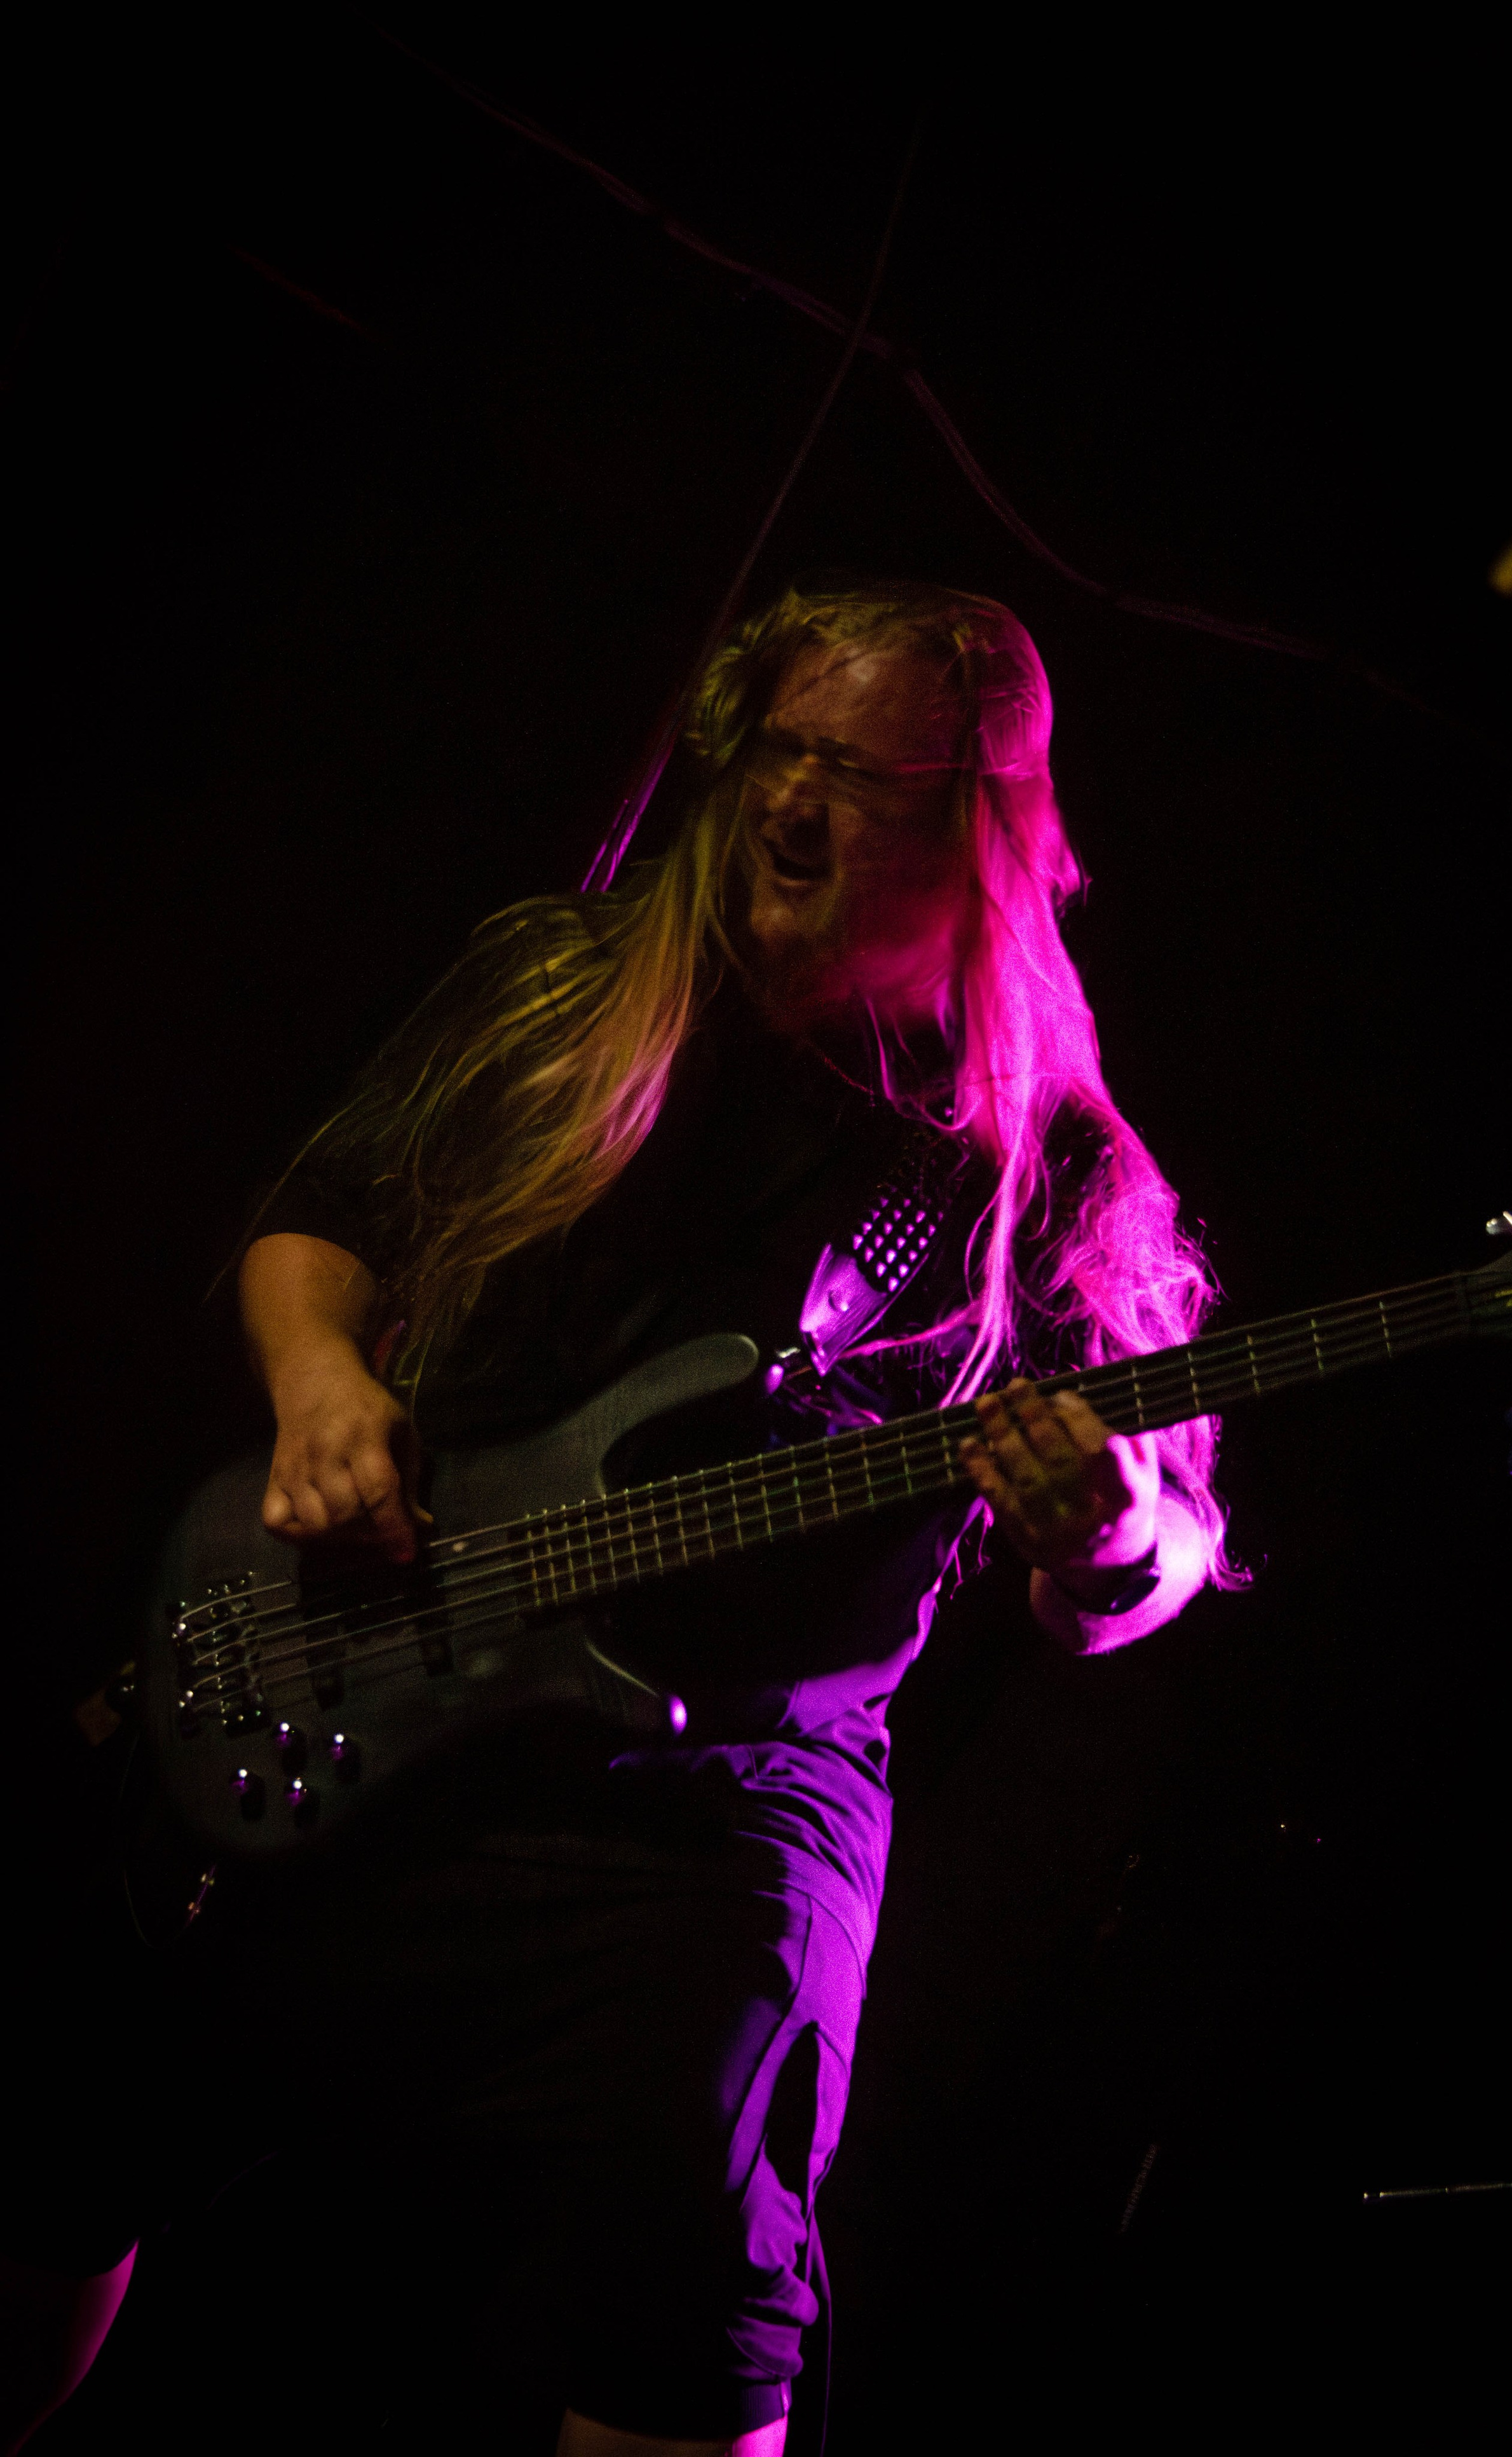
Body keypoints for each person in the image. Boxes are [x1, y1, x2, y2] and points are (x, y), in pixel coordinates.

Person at [3, 579, 1230, 2457]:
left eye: (861, 776)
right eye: (779, 754)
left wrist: (1109, 1530)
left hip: (714, 1804)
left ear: (982, 829)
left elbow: (1150, 1566)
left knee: (703, 2279)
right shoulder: (568, 988)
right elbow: (318, 1220)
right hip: (382, 1649)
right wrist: (327, 1388)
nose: (790, 806)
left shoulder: (1037, 1175)